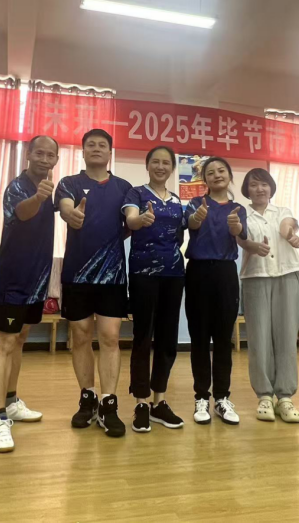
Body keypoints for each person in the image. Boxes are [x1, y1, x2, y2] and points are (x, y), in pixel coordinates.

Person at [55, 129, 132, 438]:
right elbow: (65, 207)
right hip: (77, 274)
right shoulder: (69, 182)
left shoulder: (124, 187)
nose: (97, 148)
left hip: (113, 275)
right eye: (91, 145)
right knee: (81, 335)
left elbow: (129, 223)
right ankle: (87, 398)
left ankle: (109, 403)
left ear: (110, 152)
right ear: (83, 151)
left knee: (110, 337)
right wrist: (70, 214)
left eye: (102, 145)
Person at [0, 135, 58, 452]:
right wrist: (40, 198)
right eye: (39, 153)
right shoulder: (17, 186)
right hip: (13, 277)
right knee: (5, 341)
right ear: (29, 154)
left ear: (56, 160)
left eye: (50, 155)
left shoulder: (51, 186)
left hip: (38, 277)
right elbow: (24, 212)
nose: (44, 159)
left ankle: (11, 400)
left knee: (21, 337)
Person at [122, 146, 185, 433]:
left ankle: (159, 401)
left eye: (166, 163)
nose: (160, 166)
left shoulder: (177, 200)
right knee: (142, 336)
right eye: (155, 162)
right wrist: (139, 221)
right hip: (143, 274)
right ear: (147, 165)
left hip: (174, 274)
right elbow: (130, 219)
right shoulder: (136, 193)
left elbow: (180, 236)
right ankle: (141, 402)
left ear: (172, 168)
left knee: (167, 338)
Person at [183, 157, 247, 425]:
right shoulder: (196, 203)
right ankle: (201, 397)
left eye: (222, 170)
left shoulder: (237, 208)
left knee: (222, 338)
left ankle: (221, 397)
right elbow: (191, 224)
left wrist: (236, 227)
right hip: (198, 272)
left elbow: (241, 235)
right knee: (199, 338)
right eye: (211, 172)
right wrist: (197, 218)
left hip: (225, 273)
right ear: (205, 179)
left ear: (229, 175)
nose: (217, 175)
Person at [237, 168, 299, 423]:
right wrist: (251, 245)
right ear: (247, 190)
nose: (259, 189)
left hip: (287, 275)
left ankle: (285, 397)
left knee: (286, 336)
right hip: (255, 277)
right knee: (259, 337)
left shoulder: (282, 211)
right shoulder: (242, 213)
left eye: (264, 184)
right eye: (254, 185)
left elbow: (289, 224)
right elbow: (240, 237)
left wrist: (290, 234)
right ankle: (264, 395)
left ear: (271, 188)